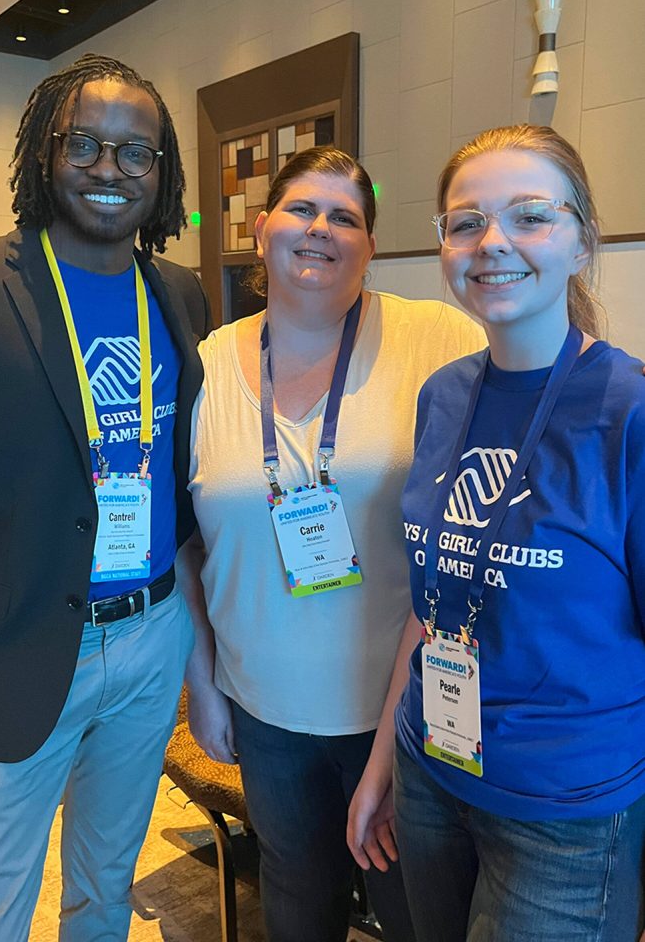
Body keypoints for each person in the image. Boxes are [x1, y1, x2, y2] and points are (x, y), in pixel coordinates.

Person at [180, 146, 485, 942]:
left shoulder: (434, 339)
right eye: (301, 210)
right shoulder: (206, 363)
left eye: (345, 217)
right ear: (262, 232)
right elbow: (183, 540)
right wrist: (204, 682)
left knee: (413, 914)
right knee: (295, 901)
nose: (320, 228)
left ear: (370, 247)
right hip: (264, 708)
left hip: (403, 708)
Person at [348, 125, 645, 941]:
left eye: (528, 217)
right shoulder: (445, 394)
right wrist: (381, 764)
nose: (492, 243)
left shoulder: (628, 412)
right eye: (465, 221)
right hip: (430, 770)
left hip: (564, 811)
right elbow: (433, 602)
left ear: (582, 239)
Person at [0, 54, 210, 941]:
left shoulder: (177, 293)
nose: (110, 169)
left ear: (162, 172)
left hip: (149, 642)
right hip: (11, 652)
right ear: (45, 153)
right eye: (86, 146)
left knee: (104, 890)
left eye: (135, 153)